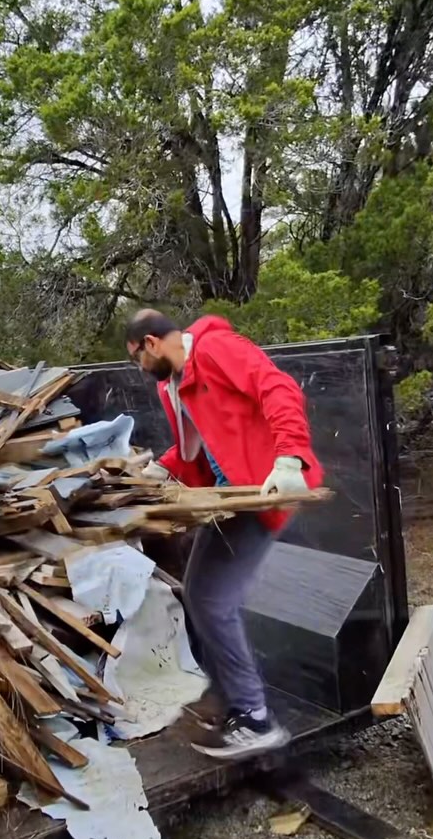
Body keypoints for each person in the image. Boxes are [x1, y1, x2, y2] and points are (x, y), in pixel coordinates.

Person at [125, 310, 323, 760]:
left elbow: (278, 388)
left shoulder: (216, 349)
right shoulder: (171, 385)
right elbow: (196, 446)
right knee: (203, 595)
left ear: (151, 343)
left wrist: (290, 458)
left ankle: (255, 717)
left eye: (136, 357)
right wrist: (160, 469)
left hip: (266, 488)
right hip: (230, 497)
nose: (138, 368)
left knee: (210, 598)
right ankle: (243, 705)